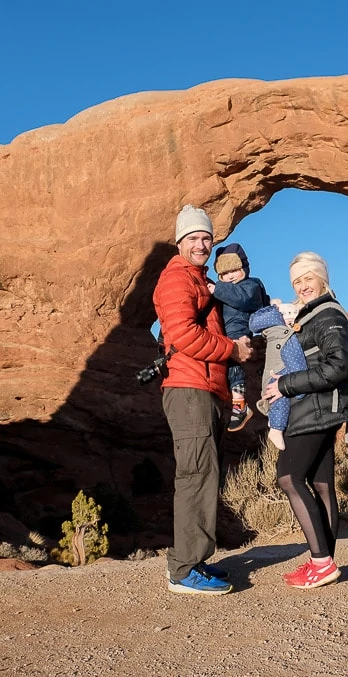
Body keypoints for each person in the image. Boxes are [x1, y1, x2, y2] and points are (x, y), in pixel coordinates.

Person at [153, 204, 253, 595]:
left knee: (204, 473)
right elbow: (182, 336)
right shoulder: (177, 280)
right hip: (189, 389)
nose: (201, 244)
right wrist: (232, 350)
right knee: (196, 475)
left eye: (206, 237)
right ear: (180, 241)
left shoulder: (199, 279)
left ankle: (194, 560)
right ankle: (183, 570)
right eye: (193, 238)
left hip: (205, 390)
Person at [262, 252, 348, 589]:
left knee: (289, 477)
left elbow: (338, 366)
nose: (303, 286)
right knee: (320, 484)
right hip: (320, 408)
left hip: (318, 409)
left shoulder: (327, 313)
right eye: (297, 282)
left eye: (308, 278)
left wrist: (285, 385)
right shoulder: (314, 314)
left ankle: (321, 561)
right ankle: (325, 561)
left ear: (322, 279)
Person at [207, 243, 269, 432]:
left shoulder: (251, 285)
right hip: (223, 333)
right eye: (224, 274)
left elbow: (242, 298)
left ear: (244, 268)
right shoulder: (226, 289)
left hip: (238, 333)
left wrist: (216, 288)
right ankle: (233, 402)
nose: (230, 276)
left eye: (234, 270)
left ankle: (240, 404)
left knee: (234, 366)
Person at [249, 299, 305, 451]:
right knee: (280, 395)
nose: (290, 317)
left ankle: (275, 421)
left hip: (275, 371)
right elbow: (296, 364)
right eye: (286, 313)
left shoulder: (279, 330)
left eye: (294, 313)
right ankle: (276, 428)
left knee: (279, 396)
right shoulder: (283, 332)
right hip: (277, 372)